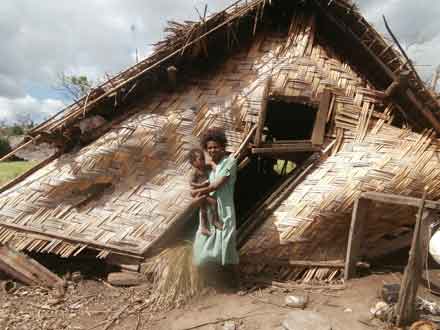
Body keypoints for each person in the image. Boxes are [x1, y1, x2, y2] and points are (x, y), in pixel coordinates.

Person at [191, 127, 239, 269]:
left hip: (225, 208)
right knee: (205, 240)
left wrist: (196, 191)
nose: (212, 150)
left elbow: (216, 186)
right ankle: (208, 279)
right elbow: (197, 169)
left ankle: (233, 282)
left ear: (222, 147)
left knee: (226, 241)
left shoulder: (230, 162)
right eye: (209, 148)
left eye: (215, 147)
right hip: (210, 209)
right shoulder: (210, 165)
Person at [188, 148, 223, 236]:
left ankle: (204, 227)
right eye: (200, 159)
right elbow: (191, 183)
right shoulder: (195, 172)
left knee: (203, 210)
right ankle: (215, 221)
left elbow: (211, 164)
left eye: (203, 158)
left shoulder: (204, 167)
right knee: (213, 203)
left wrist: (213, 166)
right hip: (200, 193)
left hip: (205, 192)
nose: (203, 161)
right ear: (193, 162)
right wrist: (202, 185)